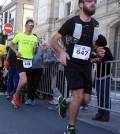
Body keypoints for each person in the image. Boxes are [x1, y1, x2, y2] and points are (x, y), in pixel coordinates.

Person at [50, 0, 105, 133]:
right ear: (81, 5)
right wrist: (62, 52)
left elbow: (91, 43)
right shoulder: (72, 22)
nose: (93, 4)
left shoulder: (95, 24)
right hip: (72, 63)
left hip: (86, 64)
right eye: (89, 1)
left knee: (86, 100)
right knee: (78, 96)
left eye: (95, 2)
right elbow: (53, 40)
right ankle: (71, 128)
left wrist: (97, 50)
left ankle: (64, 103)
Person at [8, 19, 38, 108]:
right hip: (20, 59)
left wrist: (35, 48)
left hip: (29, 61)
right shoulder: (19, 35)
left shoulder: (34, 38)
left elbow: (34, 52)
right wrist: (16, 51)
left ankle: (16, 98)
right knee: (23, 80)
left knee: (24, 82)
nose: (31, 27)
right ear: (25, 26)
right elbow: (10, 44)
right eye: (29, 25)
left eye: (32, 26)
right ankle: (16, 96)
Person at [91, 34, 113, 122]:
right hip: (99, 76)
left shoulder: (106, 49)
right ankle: (100, 112)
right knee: (99, 95)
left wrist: (97, 59)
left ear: (98, 42)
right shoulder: (96, 51)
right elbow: (93, 57)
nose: (93, 43)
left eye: (95, 41)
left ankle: (106, 114)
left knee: (105, 96)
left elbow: (110, 58)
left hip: (106, 76)